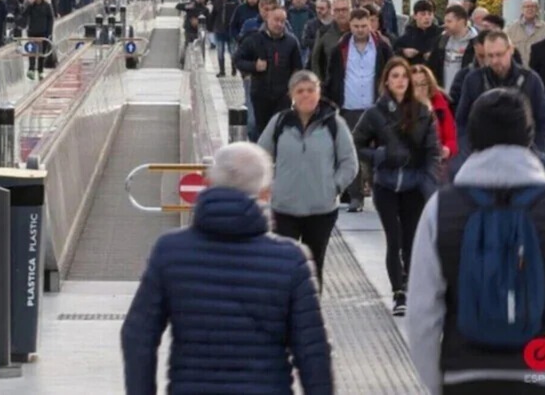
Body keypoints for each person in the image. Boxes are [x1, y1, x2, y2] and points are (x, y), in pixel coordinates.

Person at [406, 88, 545, 395]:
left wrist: (439, 381)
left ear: (472, 137)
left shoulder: (440, 209)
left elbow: (421, 312)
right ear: (528, 137)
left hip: (465, 377)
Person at [120, 142, 334, 395]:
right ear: (266, 194)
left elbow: (137, 335)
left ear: (208, 184)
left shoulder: (170, 251)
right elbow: (313, 351)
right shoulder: (291, 260)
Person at [351, 57, 441, 315]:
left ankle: (411, 285)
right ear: (386, 81)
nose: (400, 81)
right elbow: (356, 143)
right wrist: (378, 155)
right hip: (386, 185)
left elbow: (432, 150)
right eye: (395, 76)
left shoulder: (422, 112)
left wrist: (428, 180)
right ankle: (398, 292)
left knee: (411, 240)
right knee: (394, 238)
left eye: (404, 76)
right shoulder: (375, 113)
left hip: (414, 184)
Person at [258, 71, 358, 288]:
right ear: (291, 95)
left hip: (321, 210)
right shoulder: (280, 122)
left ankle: (311, 307)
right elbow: (260, 156)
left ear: (319, 92)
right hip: (284, 209)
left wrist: (333, 187)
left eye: (311, 90)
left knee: (313, 267)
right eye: (300, 91)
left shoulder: (334, 124)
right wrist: (269, 185)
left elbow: (350, 163)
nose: (306, 95)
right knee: (284, 267)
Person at [326, 8, 394, 211]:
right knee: (351, 152)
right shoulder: (340, 49)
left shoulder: (382, 47)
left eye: (364, 25)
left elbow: (392, 72)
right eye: (356, 26)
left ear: (370, 24)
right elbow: (332, 77)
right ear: (350, 25)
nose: (360, 30)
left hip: (377, 108)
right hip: (350, 107)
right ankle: (355, 196)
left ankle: (379, 192)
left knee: (380, 152)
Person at [454, 30, 545, 155]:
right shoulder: (473, 80)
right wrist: (469, 152)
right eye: (490, 56)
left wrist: (535, 152)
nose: (494, 61)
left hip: (522, 156)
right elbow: (461, 121)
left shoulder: (531, 80)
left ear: (511, 50)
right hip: (483, 155)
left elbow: (542, 121)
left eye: (499, 54)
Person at [234, 7, 303, 143]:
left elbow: (298, 67)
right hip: (260, 93)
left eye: (282, 21)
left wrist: (293, 89)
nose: (279, 24)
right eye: (276, 20)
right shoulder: (254, 39)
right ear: (267, 19)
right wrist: (254, 66)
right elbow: (238, 60)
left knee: (280, 129)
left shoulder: (291, 41)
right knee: (260, 129)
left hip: (283, 96)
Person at [411, 64, 458, 175]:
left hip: (436, 165)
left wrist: (447, 149)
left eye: (424, 84)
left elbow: (451, 139)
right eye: (415, 85)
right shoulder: (402, 106)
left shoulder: (440, 104)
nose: (420, 89)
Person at [394, 0, 442, 66]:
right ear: (415, 16)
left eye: (430, 14)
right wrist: (404, 52)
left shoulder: (440, 35)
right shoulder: (407, 36)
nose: (427, 17)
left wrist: (433, 55)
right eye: (423, 14)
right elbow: (394, 54)